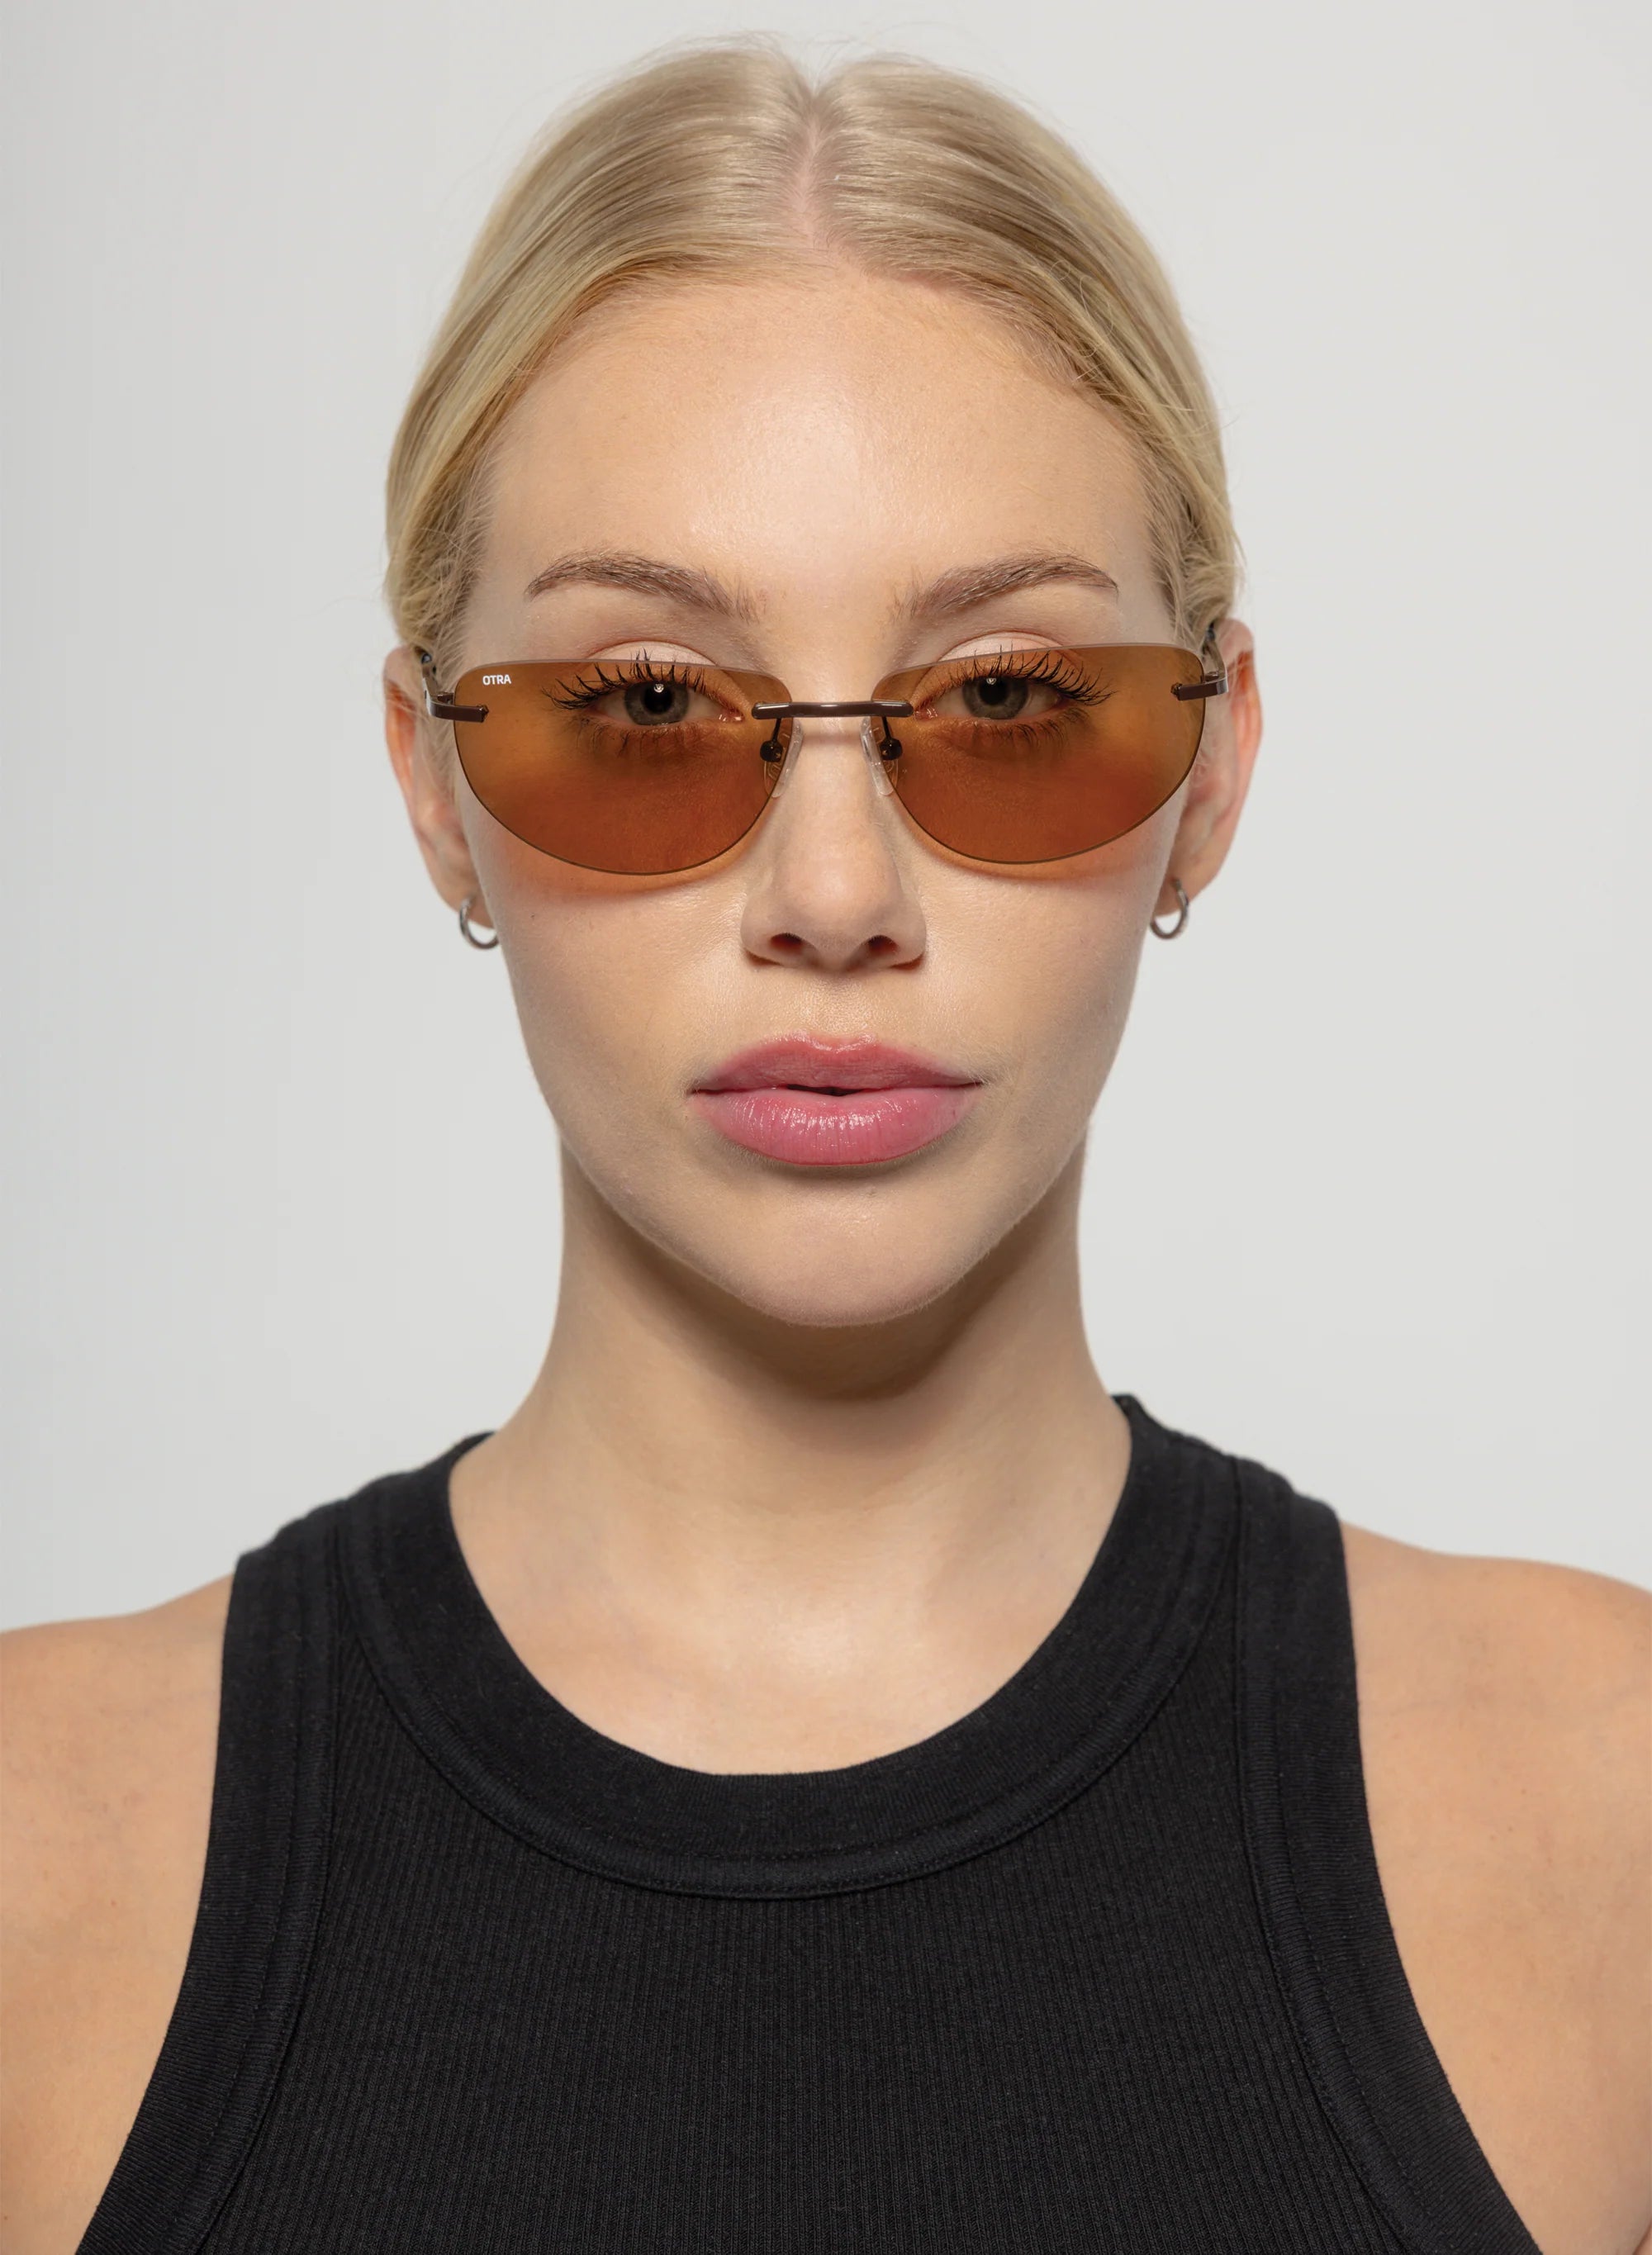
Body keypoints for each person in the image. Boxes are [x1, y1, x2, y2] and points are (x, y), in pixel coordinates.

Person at [2, 42, 1646, 2255]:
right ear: (430, 784)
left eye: (1009, 699)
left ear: (1216, 769)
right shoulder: (31, 1869)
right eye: (649, 706)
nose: (839, 890)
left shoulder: (1611, 1821)